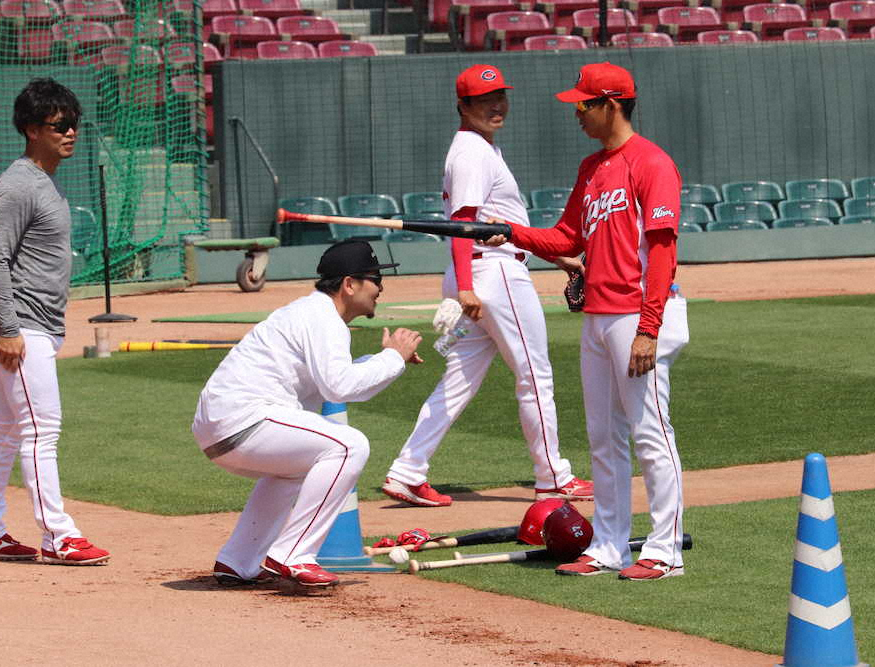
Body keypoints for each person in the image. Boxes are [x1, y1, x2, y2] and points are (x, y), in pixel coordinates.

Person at [483, 62, 689, 580]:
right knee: (603, 437)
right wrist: (509, 231)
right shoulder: (592, 168)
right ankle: (610, 545)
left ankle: (664, 551)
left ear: (611, 104)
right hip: (598, 317)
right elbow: (567, 238)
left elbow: (663, 252)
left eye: (583, 104)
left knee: (650, 434)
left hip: (637, 315)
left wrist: (649, 326)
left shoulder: (652, 164)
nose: (576, 113)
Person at [381, 64, 594, 508]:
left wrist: (561, 258)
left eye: (500, 97)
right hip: (491, 276)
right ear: (463, 105)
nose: (496, 106)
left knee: (459, 381)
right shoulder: (472, 153)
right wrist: (465, 288)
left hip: (484, 274)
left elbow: (505, 225)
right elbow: (463, 224)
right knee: (535, 376)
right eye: (483, 100)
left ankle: (406, 471)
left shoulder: (480, 148)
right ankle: (553, 475)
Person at [192, 240, 423, 591]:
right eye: (375, 278)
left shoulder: (313, 314)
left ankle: (239, 560)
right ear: (349, 284)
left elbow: (340, 381)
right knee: (349, 446)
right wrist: (391, 359)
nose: (381, 288)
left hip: (224, 426)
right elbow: (339, 387)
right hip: (244, 419)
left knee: (299, 468)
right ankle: (294, 554)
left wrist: (390, 360)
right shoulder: (322, 318)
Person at [0, 78, 110, 565]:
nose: (70, 133)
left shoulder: (44, 180)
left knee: (4, 431)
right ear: (31, 129)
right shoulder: (20, 184)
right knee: (41, 429)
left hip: (30, 325)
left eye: (74, 124)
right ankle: (59, 535)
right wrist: (9, 328)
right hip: (19, 326)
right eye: (59, 125)